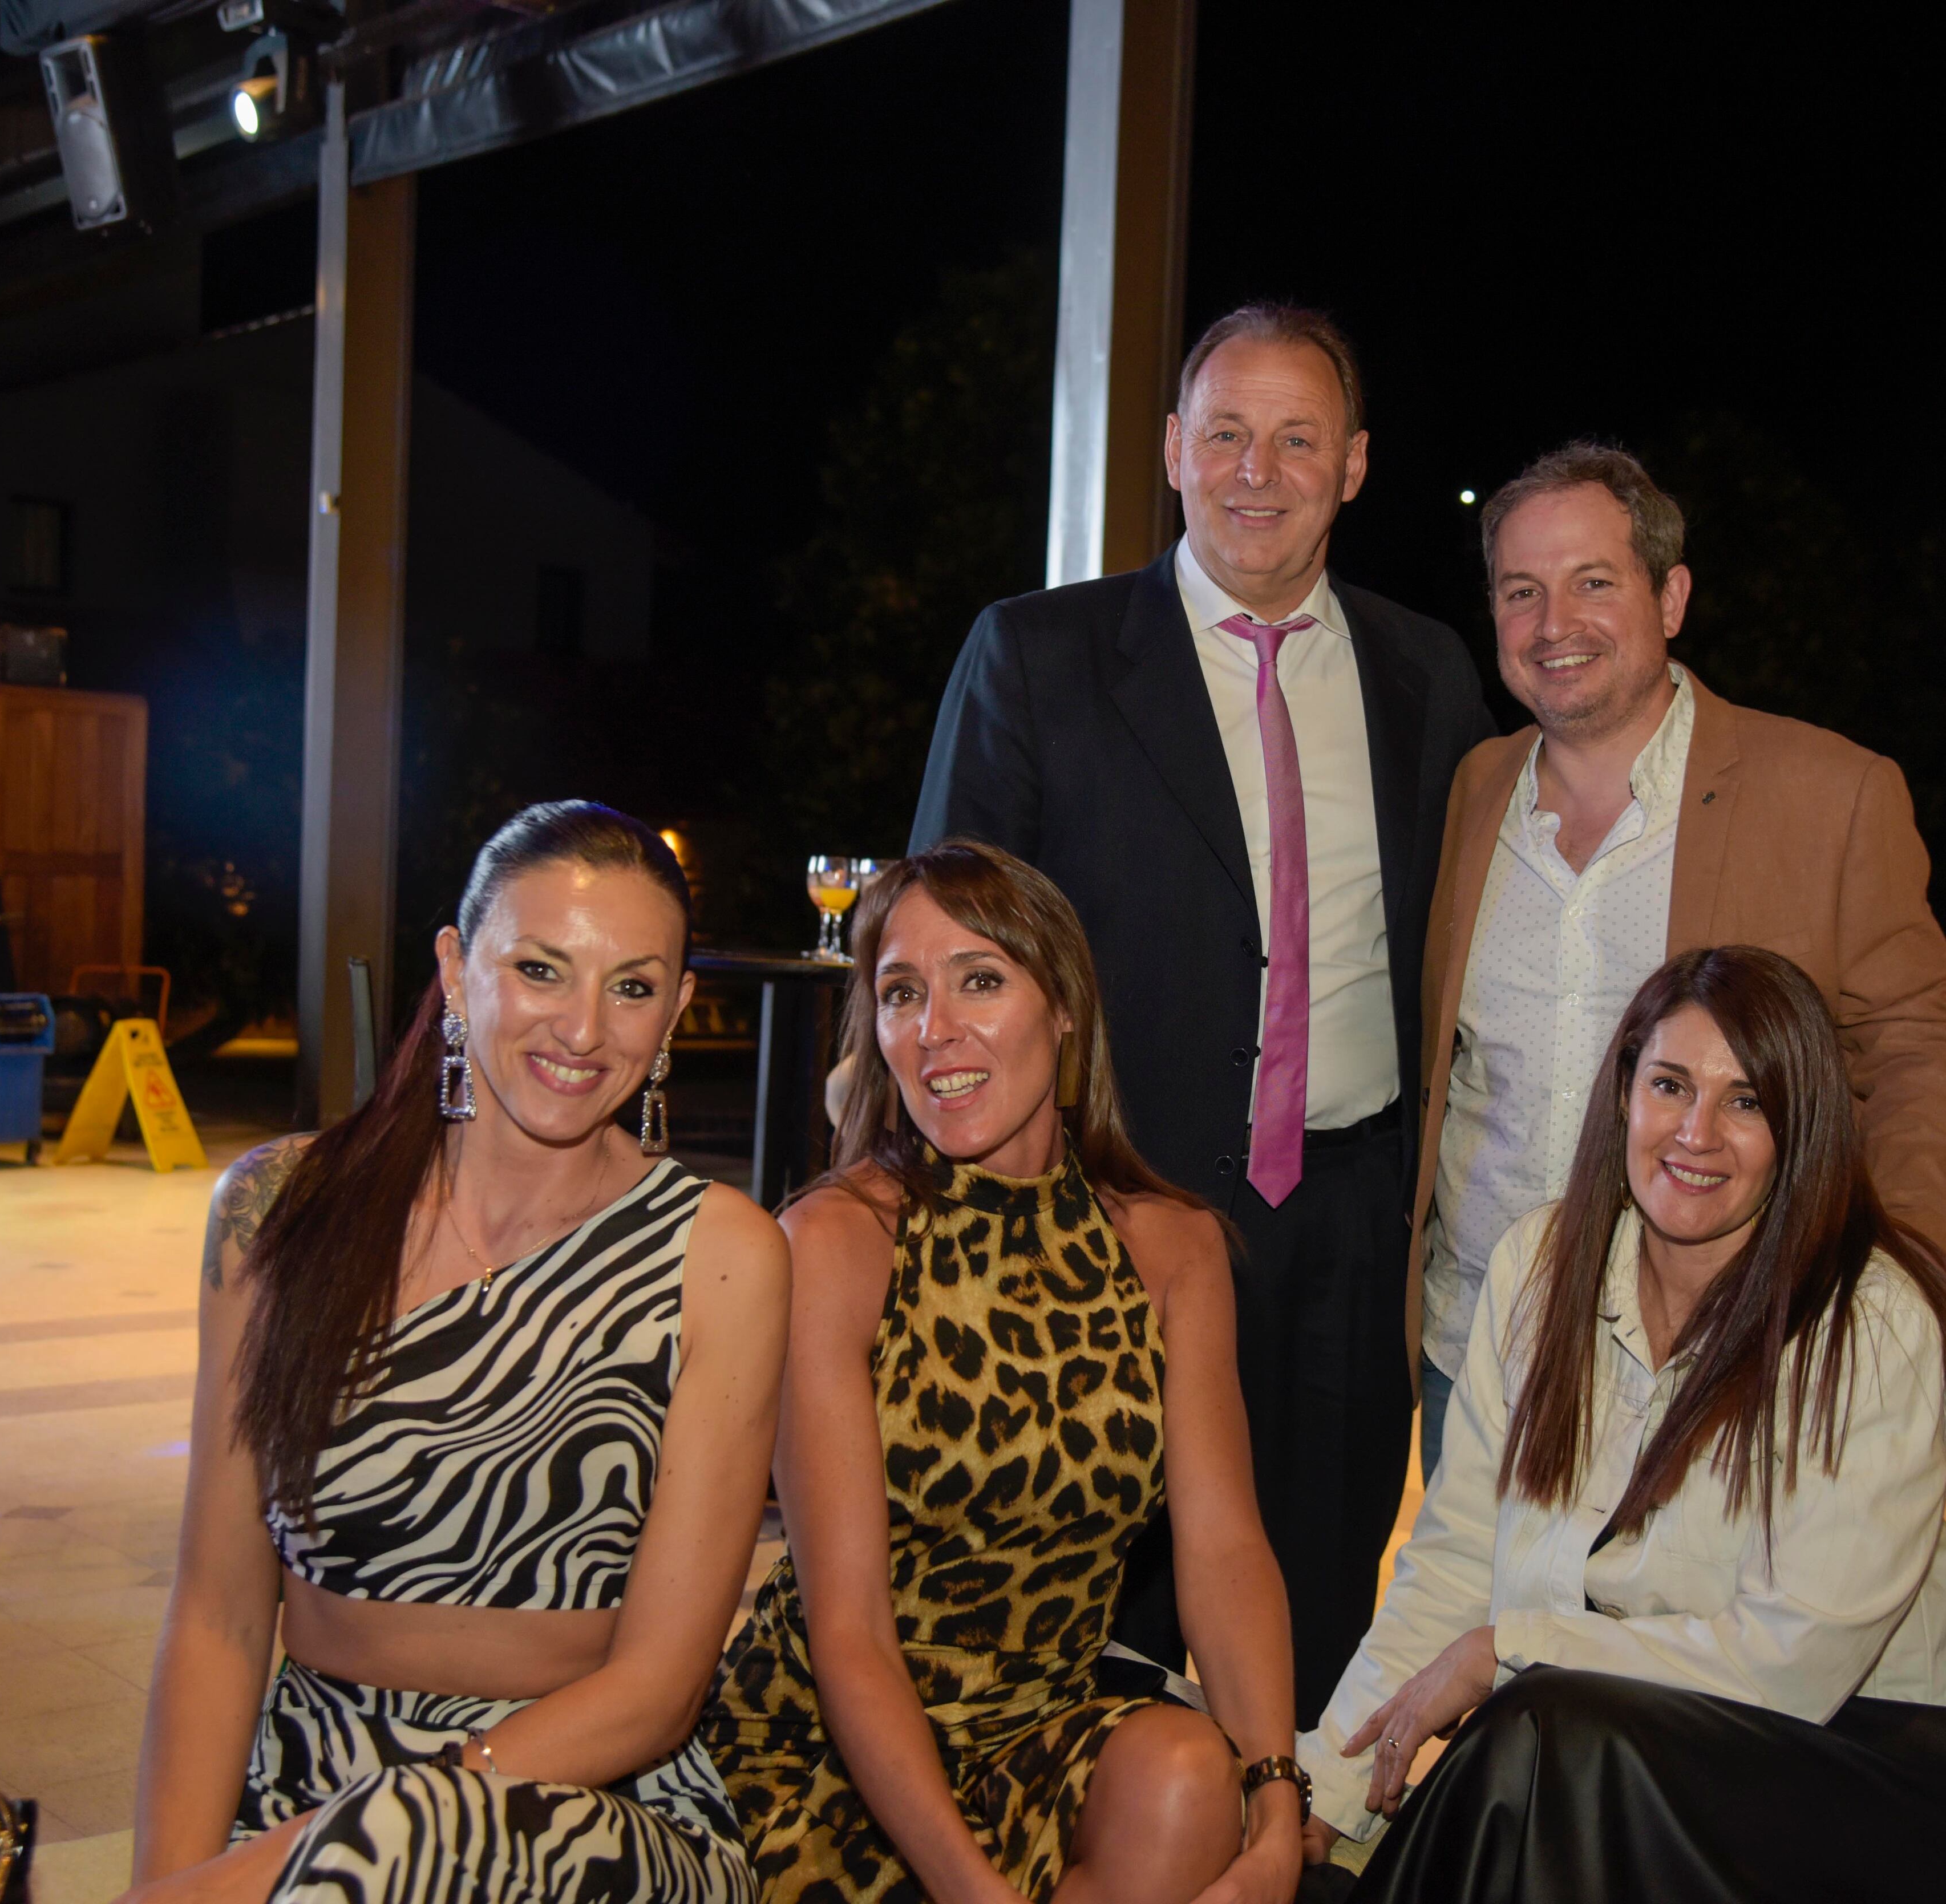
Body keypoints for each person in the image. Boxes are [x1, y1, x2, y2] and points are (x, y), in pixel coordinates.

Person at [911, 304, 1496, 1716]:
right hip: (1110, 1210)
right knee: (1083, 1619)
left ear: (1353, 465)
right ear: (1173, 450)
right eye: (1225, 431)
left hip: (1350, 1226)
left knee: (1309, 1619)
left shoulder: (1431, 677)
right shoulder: (1036, 656)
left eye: (1298, 437)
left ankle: (1270, 1839)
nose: (1257, 466)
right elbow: (939, 957)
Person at [124, 801, 785, 1904]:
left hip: (593, 1806)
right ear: (456, 965)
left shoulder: (719, 1252)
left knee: (394, 1846)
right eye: (539, 968)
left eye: (631, 985)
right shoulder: (280, 1210)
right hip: (310, 1776)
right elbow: (219, 1616)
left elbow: (660, 1688)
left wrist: (416, 1813)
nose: (582, 1027)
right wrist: (179, 1882)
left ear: (674, 1009)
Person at [1296, 946, 1946, 1902]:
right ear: (1624, 1096)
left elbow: (1792, 1666)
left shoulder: (1870, 1322)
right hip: (1605, 1761)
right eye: (1671, 1084)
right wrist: (1322, 1782)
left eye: (1747, 1101)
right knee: (1550, 1755)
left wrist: (1510, 1648)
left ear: (1799, 1126)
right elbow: (1455, 1562)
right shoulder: (1538, 1271)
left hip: (1861, 1775)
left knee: (1545, 1737)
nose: (1697, 1132)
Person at [701, 840, 1305, 1904]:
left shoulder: (1172, 1249)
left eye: (980, 978)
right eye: (901, 992)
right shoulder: (834, 1244)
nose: (936, 1030)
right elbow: (848, 1631)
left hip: (1038, 1732)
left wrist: (1277, 1798)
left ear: (1063, 1005)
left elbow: (1223, 1544)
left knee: (1188, 1776)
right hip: (831, 1750)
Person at [1409, 441, 1946, 1478]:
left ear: (1670, 597)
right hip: (1476, 1365)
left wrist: (1902, 1296)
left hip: (1720, 1370)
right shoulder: (1473, 793)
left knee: (1683, 1649)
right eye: (1521, 590)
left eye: (1594, 582)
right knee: (1465, 1636)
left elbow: (1916, 1055)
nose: (1555, 625)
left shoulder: (1830, 795)